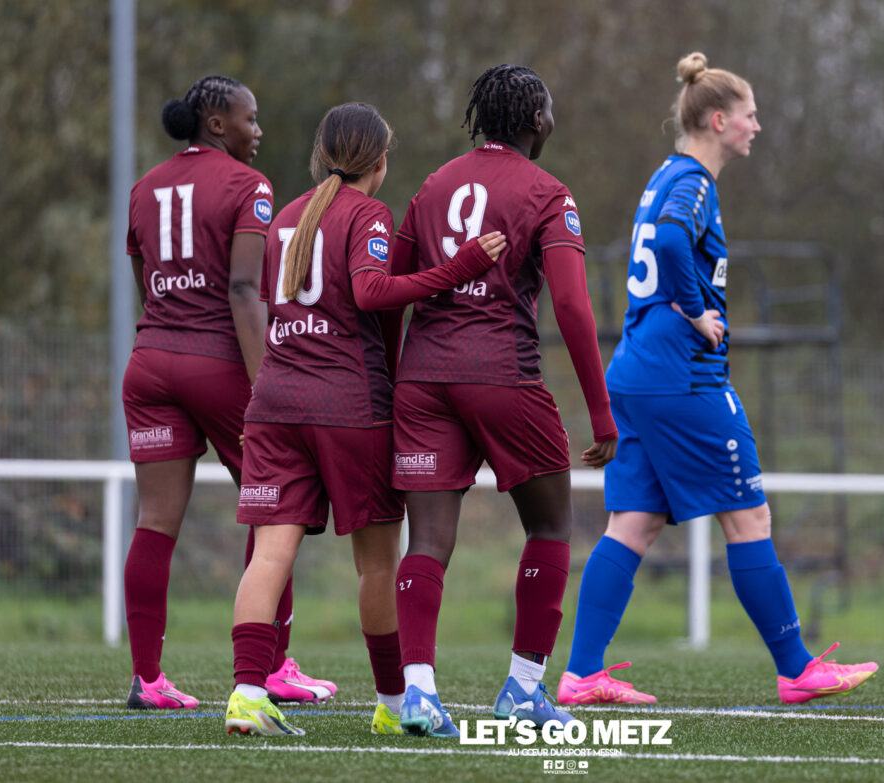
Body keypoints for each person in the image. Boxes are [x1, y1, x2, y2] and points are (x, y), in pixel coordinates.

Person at [558, 52, 877, 707]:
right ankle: (796, 667)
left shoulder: (667, 175)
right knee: (749, 512)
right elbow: (674, 241)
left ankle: (581, 673)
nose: (758, 126)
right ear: (718, 119)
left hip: (638, 372)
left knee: (635, 524)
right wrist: (698, 309)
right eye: (752, 115)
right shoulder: (695, 183)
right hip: (682, 376)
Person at [222, 102, 504, 737]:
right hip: (348, 407)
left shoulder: (285, 216)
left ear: (323, 156)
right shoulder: (370, 214)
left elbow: (273, 311)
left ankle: (245, 693)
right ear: (379, 161)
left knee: (270, 555)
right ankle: (392, 703)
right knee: (377, 564)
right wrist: (459, 269)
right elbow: (372, 292)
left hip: (274, 402)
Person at [389, 64, 618, 738]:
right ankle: (521, 686)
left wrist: (390, 380)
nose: (552, 121)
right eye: (546, 111)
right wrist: (601, 413)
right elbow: (573, 305)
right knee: (549, 526)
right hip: (502, 373)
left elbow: (396, 285)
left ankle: (421, 693)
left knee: (427, 536)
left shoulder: (432, 184)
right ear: (528, 120)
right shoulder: (547, 191)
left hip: (423, 378)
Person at [122, 75, 332, 709]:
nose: (258, 130)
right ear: (217, 123)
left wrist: (169, 332)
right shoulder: (249, 186)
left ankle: (147, 680)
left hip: (150, 360)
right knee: (278, 506)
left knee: (154, 521)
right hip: (219, 364)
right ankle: (270, 667)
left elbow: (146, 277)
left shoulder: (144, 187)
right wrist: (272, 379)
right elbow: (245, 290)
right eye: (250, 118)